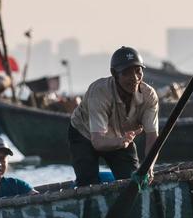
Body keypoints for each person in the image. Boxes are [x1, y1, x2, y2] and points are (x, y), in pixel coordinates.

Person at [68, 46, 159, 187]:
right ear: (114, 74)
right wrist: (121, 142)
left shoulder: (149, 96)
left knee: (134, 181)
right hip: (84, 135)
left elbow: (152, 137)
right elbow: (98, 142)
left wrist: (149, 166)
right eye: (127, 73)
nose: (134, 78)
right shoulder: (99, 92)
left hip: (120, 137)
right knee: (88, 184)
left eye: (138, 71)